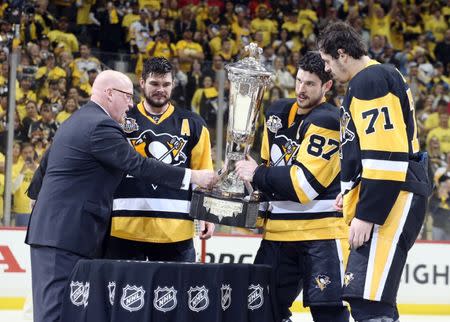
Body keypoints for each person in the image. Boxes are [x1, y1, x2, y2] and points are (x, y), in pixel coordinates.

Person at [25, 69, 215, 322]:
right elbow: (140, 165)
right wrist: (193, 177)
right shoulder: (101, 125)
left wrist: (37, 198)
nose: (130, 103)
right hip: (64, 234)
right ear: (109, 93)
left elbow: (47, 165)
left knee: (68, 310)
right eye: (127, 96)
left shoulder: (77, 119)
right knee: (57, 312)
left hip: (61, 230)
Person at [318, 21, 430, 322]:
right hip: (392, 193)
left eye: (328, 61)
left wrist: (367, 213)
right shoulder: (376, 76)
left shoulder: (369, 80)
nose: (327, 69)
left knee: (367, 300)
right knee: (373, 299)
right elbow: (368, 148)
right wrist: (350, 190)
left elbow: (386, 153)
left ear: (342, 54)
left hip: (391, 197)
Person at [235, 52, 350, 322]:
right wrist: (249, 192)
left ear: (327, 87)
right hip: (278, 233)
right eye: (299, 81)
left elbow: (303, 187)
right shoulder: (276, 112)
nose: (301, 89)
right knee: (260, 308)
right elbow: (264, 166)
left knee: (328, 312)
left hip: (321, 234)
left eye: (310, 84)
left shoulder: (329, 121)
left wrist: (259, 173)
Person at [104, 57, 215, 261]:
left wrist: (206, 213)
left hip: (176, 231)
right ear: (142, 82)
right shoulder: (120, 119)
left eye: (166, 84)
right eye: (155, 83)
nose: (160, 89)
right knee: (123, 292)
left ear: (173, 85)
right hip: (125, 228)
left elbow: (204, 175)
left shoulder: (193, 124)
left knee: (174, 292)